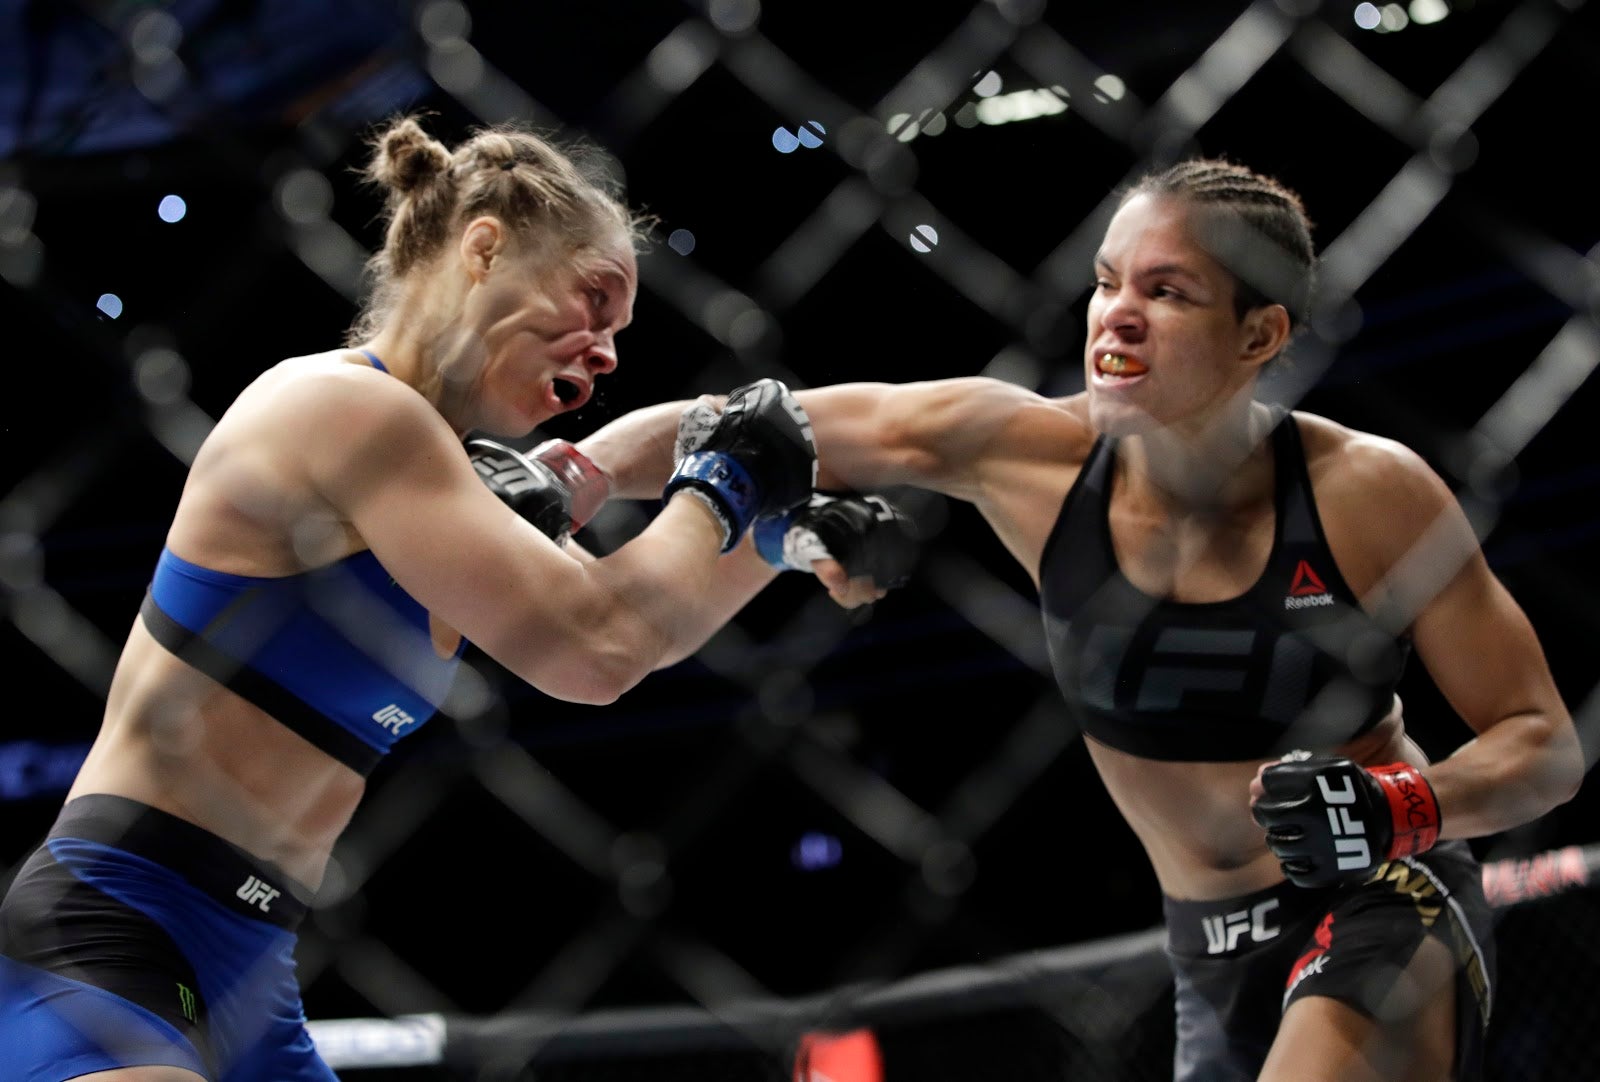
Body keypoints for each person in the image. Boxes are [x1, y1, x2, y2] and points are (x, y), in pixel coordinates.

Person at [580, 157, 1586, 1081]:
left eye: (1167, 290)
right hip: (1207, 942)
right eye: (1108, 280)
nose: (1117, 316)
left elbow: (1542, 743)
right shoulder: (1019, 451)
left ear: (1259, 334)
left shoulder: (1367, 493)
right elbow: (741, 423)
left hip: (1384, 898)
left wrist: (1398, 805)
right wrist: (566, 474)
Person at [0, 114, 917, 1082]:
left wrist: (772, 533)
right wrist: (729, 482)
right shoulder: (344, 410)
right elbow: (595, 647)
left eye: (619, 331)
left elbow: (633, 619)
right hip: (117, 933)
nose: (606, 352)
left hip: (252, 967)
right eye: (592, 299)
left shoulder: (445, 493)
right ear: (482, 248)